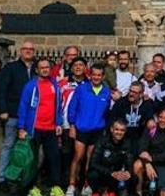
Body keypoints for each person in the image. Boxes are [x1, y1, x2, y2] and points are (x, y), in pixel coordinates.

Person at [18, 58, 64, 196]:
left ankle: (55, 186)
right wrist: (21, 127)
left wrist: (58, 123)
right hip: (34, 128)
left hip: (50, 129)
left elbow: (58, 106)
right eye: (42, 67)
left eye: (47, 67)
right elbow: (23, 106)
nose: (45, 69)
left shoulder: (54, 84)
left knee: (54, 158)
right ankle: (32, 187)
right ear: (37, 70)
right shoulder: (30, 86)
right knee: (32, 160)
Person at [67, 62, 113, 196]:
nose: (96, 77)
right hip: (81, 128)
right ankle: (71, 184)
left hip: (97, 131)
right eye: (94, 75)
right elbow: (72, 108)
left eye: (99, 75)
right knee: (78, 157)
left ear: (103, 76)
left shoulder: (106, 92)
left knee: (91, 159)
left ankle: (87, 185)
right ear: (90, 75)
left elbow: (107, 112)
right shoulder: (81, 89)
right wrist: (72, 125)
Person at [0, 41, 36, 190]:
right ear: (21, 51)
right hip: (13, 113)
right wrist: (3, 110)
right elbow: (1, 90)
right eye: (26, 49)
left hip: (31, 116)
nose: (28, 51)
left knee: (29, 148)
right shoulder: (10, 68)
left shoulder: (36, 70)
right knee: (9, 145)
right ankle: (3, 177)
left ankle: (25, 177)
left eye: (31, 49)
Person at [134, 108, 165, 196]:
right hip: (149, 163)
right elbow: (142, 147)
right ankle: (138, 192)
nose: (163, 120)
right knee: (137, 165)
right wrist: (147, 163)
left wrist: (151, 159)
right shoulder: (151, 128)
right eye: (160, 117)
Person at [59, 57, 87, 192]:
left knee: (81, 156)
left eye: (81, 65)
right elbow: (57, 103)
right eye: (75, 65)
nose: (78, 67)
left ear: (85, 67)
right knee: (67, 154)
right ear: (71, 68)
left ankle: (80, 181)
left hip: (83, 125)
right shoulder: (63, 83)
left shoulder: (90, 83)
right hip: (66, 125)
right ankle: (67, 183)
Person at [87, 119, 134, 196]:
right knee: (92, 174)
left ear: (125, 131)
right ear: (111, 129)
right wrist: (110, 173)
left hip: (117, 175)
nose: (119, 132)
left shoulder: (127, 143)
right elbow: (93, 163)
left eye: (122, 130)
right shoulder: (102, 141)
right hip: (103, 173)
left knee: (133, 177)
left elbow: (129, 161)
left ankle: (115, 192)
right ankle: (97, 192)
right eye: (117, 129)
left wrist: (128, 172)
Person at [109, 80, 155, 156]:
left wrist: (151, 120)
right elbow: (111, 121)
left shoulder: (147, 105)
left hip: (138, 140)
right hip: (121, 138)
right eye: (130, 91)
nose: (131, 94)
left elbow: (150, 118)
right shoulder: (120, 103)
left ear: (141, 95)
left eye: (135, 92)